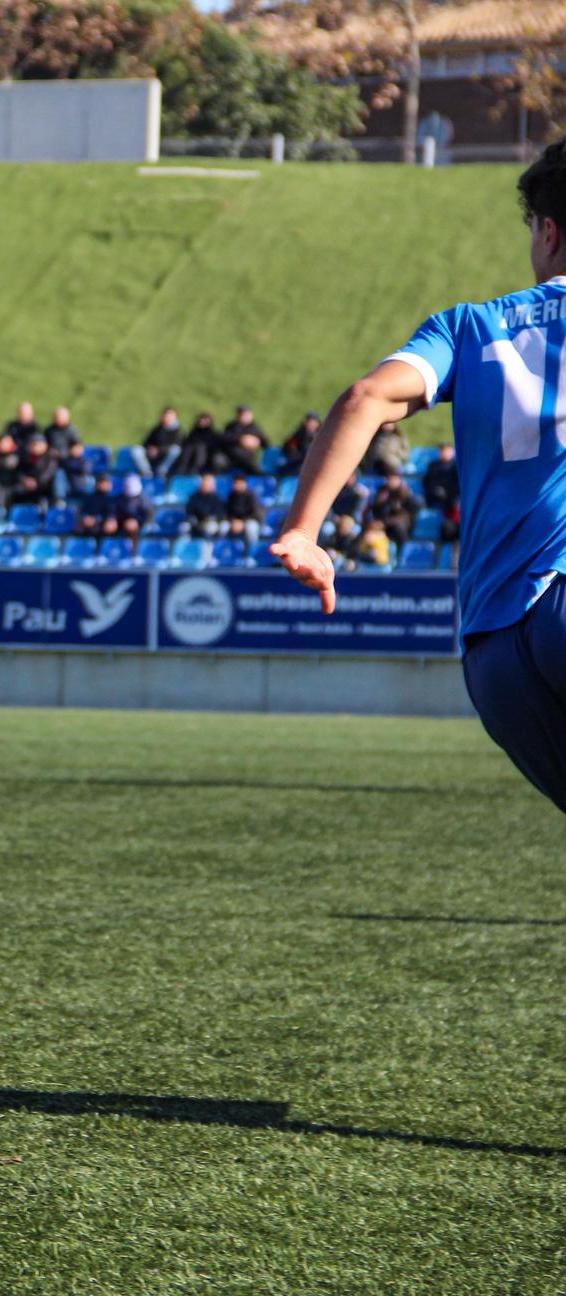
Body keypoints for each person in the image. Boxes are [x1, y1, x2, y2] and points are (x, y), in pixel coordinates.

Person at [275, 140, 566, 810]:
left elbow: (363, 399)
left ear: (548, 232)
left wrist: (304, 530)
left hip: (495, 652)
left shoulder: (469, 326)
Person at [185, 473, 228, 538]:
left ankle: (210, 544)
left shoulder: (217, 497)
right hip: (197, 521)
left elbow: (219, 513)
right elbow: (189, 511)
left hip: (211, 521)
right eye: (204, 484)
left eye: (208, 484)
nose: (206, 486)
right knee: (184, 527)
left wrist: (211, 518)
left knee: (212, 527)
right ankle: (187, 546)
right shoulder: (194, 497)